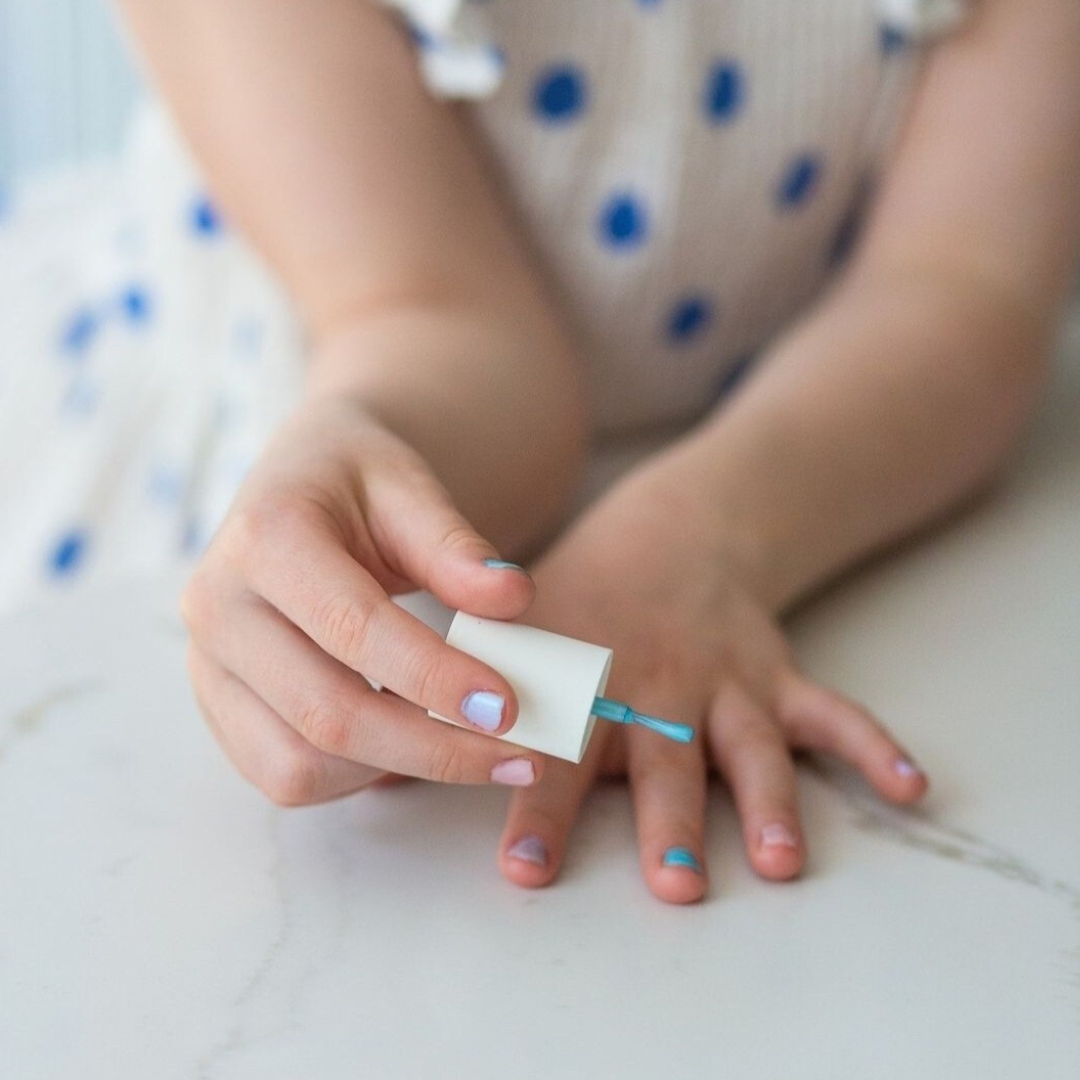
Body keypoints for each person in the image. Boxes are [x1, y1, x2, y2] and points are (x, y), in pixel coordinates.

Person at [57, 0, 1080, 902]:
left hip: (820, 440)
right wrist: (360, 448)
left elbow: (964, 284)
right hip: (346, 423)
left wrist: (695, 532)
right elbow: (433, 317)